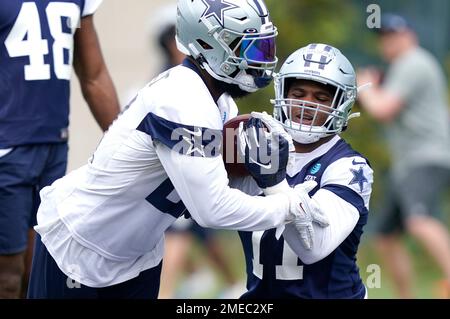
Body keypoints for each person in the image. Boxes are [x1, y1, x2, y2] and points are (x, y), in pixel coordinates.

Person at [27, 0, 329, 299]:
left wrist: (271, 183)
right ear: (209, 45)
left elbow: (222, 186)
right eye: (251, 49)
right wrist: (286, 207)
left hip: (139, 256)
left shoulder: (221, 105)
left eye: (265, 47)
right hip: (81, 248)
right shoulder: (183, 100)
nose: (261, 60)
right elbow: (211, 209)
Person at [0, 0, 120, 298]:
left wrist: (124, 144)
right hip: (6, 147)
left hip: (53, 145)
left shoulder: (76, 4)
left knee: (37, 269)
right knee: (7, 274)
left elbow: (93, 75)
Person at [234, 43, 374, 298]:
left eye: (321, 98)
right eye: (298, 93)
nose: (307, 104)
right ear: (283, 93)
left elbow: (314, 247)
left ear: (341, 105)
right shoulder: (253, 144)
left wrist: (273, 182)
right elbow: (206, 212)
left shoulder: (349, 166)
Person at [357, 13, 450, 298]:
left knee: (419, 222)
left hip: (426, 157)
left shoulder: (413, 62)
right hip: (408, 163)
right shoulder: (405, 66)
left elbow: (383, 109)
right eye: (384, 36)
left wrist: (367, 85)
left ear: (410, 37)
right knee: (386, 237)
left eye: (393, 35)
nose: (388, 41)